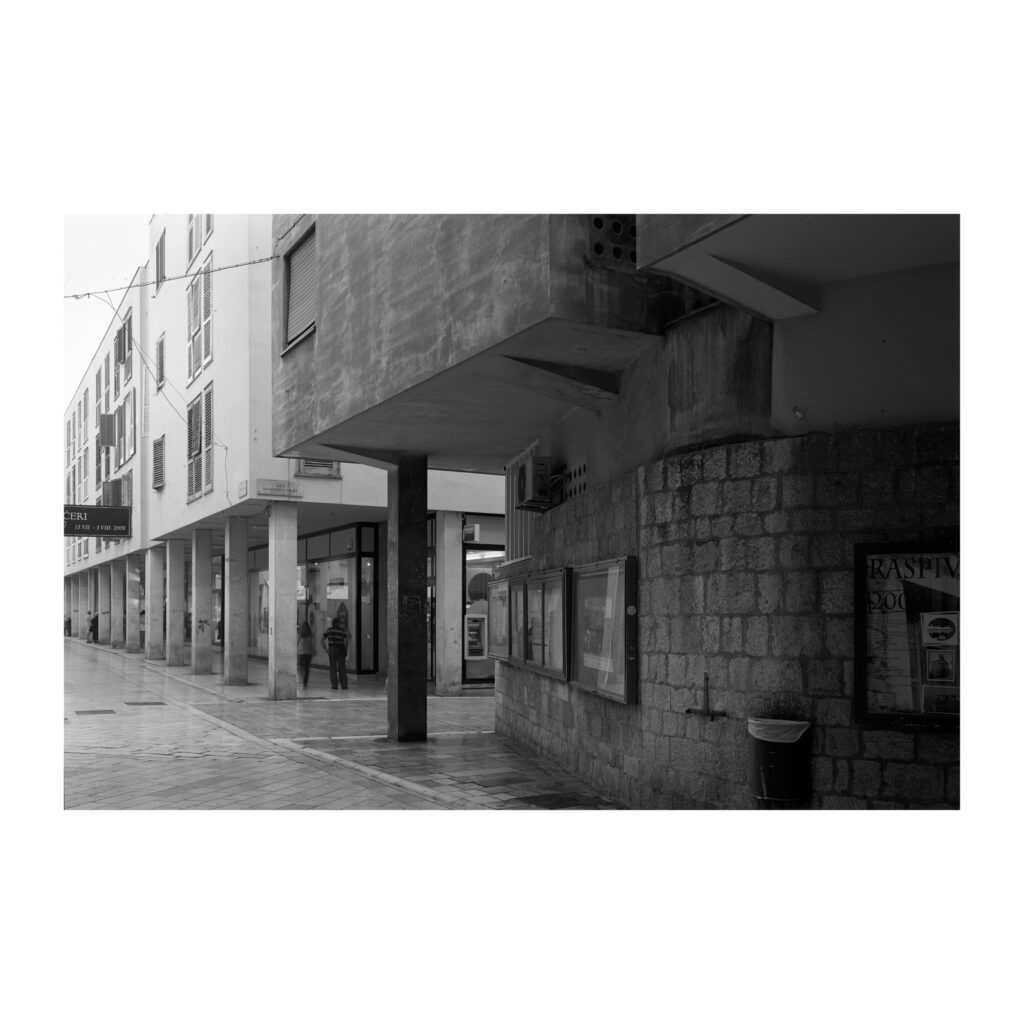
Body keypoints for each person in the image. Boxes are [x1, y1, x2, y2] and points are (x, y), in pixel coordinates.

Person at [322, 612, 349, 690]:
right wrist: (346, 650)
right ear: (338, 623)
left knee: (333, 668)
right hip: (341, 649)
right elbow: (346, 642)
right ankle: (344, 685)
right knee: (342, 668)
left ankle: (334, 685)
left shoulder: (328, 630)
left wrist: (325, 649)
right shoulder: (342, 631)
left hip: (332, 649)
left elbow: (322, 640)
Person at [297, 613, 315, 689]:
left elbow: (297, 643)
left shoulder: (300, 635)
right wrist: (313, 651)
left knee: (301, 668)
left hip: (301, 653)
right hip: (308, 654)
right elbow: (311, 644)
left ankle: (301, 680)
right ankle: (305, 683)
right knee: (307, 669)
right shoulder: (310, 635)